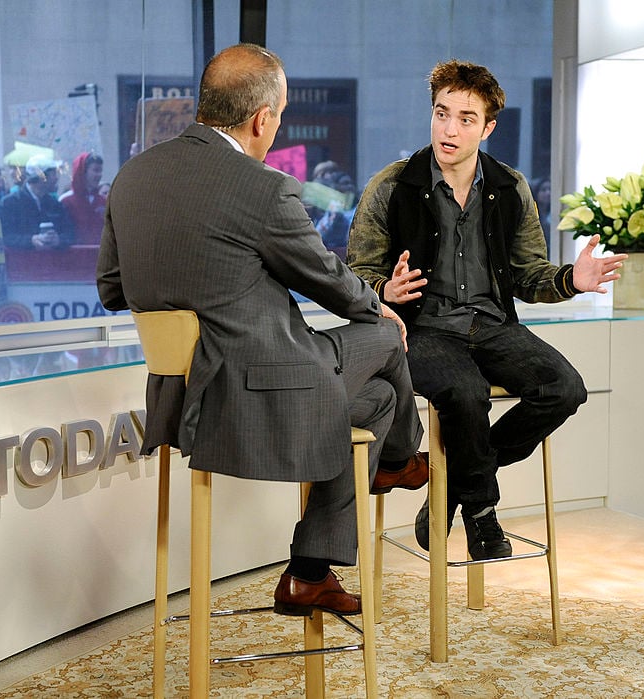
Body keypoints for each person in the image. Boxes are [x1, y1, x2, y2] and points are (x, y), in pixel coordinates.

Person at [97, 43, 426, 616]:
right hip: (254, 397)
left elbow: (112, 289)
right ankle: (401, 459)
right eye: (280, 116)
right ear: (262, 118)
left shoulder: (132, 176)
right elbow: (328, 281)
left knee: (375, 401)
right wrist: (378, 304)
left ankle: (308, 573)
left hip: (181, 400)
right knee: (383, 337)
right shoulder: (262, 188)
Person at [347, 60, 626, 561]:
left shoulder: (510, 187)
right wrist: (385, 289)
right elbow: (358, 273)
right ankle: (482, 514)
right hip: (421, 329)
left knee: (564, 389)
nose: (449, 129)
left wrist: (572, 280)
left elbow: (529, 275)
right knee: (465, 393)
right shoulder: (391, 185)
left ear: (488, 127)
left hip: (493, 325)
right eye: (441, 114)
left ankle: (454, 486)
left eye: (466, 119)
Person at [0, 155, 74, 250]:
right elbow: (3, 237)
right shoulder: (8, 204)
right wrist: (31, 240)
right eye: (53, 174)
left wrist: (59, 240)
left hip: (51, 259)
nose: (56, 178)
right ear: (41, 177)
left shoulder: (55, 204)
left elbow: (71, 233)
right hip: (21, 259)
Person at [59, 152, 108, 244]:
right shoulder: (66, 200)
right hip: (75, 252)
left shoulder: (104, 201)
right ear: (82, 172)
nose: (99, 175)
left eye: (100, 171)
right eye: (95, 170)